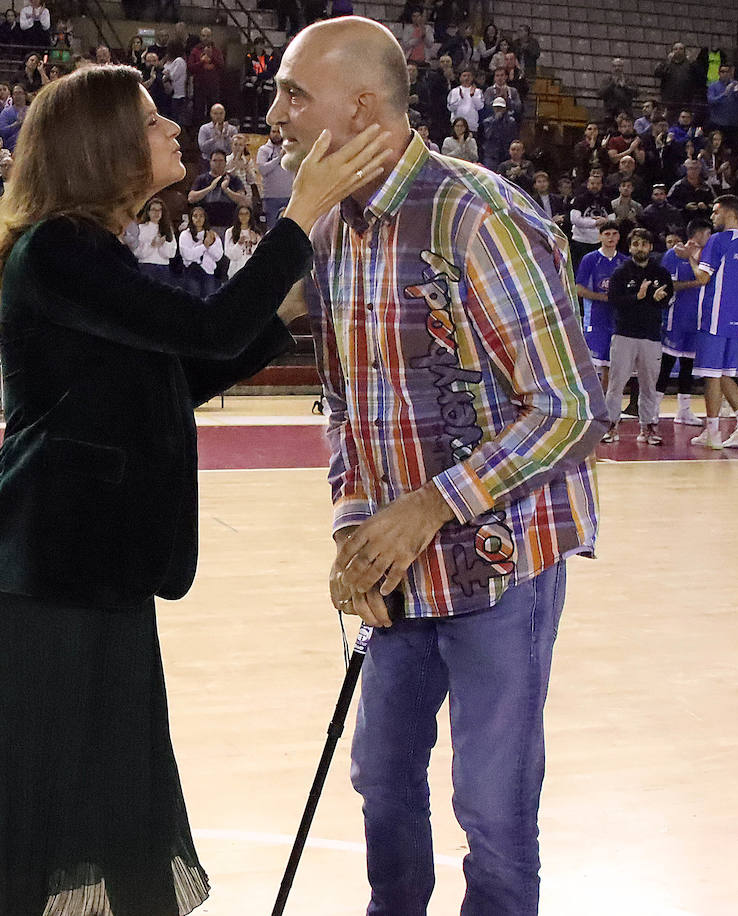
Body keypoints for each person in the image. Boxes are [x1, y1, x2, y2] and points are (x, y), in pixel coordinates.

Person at [0, 61, 388, 916]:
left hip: (85, 568)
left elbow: (178, 375)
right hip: (40, 575)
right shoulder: (60, 251)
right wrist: (300, 216)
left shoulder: (88, 254)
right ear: (102, 145)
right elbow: (209, 326)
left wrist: (289, 312)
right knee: (55, 806)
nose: (173, 131)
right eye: (152, 122)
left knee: (116, 789)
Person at [268, 18, 605, 916]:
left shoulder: (479, 215)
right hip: (398, 566)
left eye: (295, 94)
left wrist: (430, 507)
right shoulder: (328, 232)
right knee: (381, 778)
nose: (277, 115)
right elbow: (348, 409)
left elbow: (571, 407)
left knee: (491, 809)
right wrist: (353, 530)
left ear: (361, 106)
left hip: (504, 565)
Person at [687, 194, 738, 449]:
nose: (712, 217)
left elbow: (703, 278)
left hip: (714, 316)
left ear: (729, 212)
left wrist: (691, 257)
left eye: (716, 212)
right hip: (735, 318)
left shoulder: (717, 240)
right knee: (725, 374)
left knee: (711, 375)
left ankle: (713, 433)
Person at [602, 228, 674, 444]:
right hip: (624, 334)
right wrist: (638, 296)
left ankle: (648, 428)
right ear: (630, 247)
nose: (640, 248)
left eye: (644, 244)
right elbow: (614, 300)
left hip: (651, 335)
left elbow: (667, 298)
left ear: (650, 247)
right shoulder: (621, 272)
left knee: (649, 385)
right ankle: (611, 426)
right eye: (636, 244)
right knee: (616, 384)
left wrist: (660, 298)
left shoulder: (661, 273)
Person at [657, 221, 711, 427]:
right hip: (675, 317)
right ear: (698, 234)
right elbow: (668, 285)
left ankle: (684, 411)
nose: (710, 237)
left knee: (688, 365)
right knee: (667, 364)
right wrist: (697, 283)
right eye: (707, 233)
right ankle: (653, 410)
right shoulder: (673, 254)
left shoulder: (706, 256)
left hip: (696, 319)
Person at [574, 220, 628, 380]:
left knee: (612, 367)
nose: (611, 237)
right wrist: (603, 297)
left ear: (619, 237)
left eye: (614, 234)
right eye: (607, 234)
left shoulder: (625, 261)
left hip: (618, 320)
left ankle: (608, 403)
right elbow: (578, 289)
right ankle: (594, 403)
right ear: (600, 236)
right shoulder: (590, 259)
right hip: (596, 318)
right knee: (593, 365)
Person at [129, 196, 177, 282]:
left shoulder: (168, 229)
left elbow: (171, 254)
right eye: (154, 210)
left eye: (159, 210)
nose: (156, 213)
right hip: (146, 266)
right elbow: (136, 252)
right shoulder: (141, 228)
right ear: (148, 212)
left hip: (163, 268)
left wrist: (163, 244)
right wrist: (152, 245)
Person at [177, 202, 222, 296]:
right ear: (191, 218)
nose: (198, 219)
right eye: (195, 216)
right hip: (191, 273)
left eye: (201, 216)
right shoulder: (185, 235)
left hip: (209, 273)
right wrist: (204, 246)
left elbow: (218, 256)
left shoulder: (212, 234)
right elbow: (188, 255)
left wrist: (210, 245)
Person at [256, 123, 293, 227]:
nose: (276, 134)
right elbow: (263, 169)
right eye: (273, 132)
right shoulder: (263, 150)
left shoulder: (290, 149)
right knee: (272, 230)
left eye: (278, 132)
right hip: (270, 198)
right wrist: (279, 158)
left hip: (289, 196)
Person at [223, 203, 260, 277]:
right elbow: (229, 254)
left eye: (246, 214)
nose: (244, 217)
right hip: (235, 272)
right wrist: (239, 244)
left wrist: (255, 242)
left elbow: (260, 255)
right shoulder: (230, 232)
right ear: (237, 216)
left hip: (252, 272)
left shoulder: (256, 232)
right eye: (241, 214)